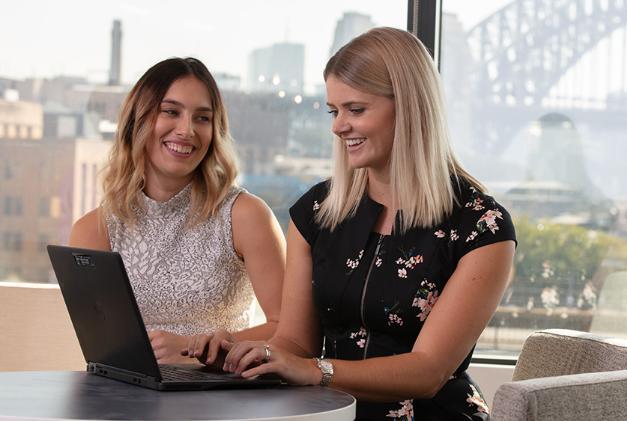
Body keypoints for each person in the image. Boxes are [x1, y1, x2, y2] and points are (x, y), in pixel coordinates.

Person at [194, 27, 515, 420]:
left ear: (410, 107)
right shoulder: (316, 211)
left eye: (355, 109)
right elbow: (296, 340)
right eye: (334, 110)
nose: (338, 126)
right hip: (327, 414)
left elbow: (428, 371)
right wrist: (254, 356)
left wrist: (315, 371)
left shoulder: (482, 227)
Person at [69, 57, 285, 364]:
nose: (186, 130)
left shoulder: (245, 215)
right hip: (127, 403)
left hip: (220, 399)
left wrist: (191, 348)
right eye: (171, 112)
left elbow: (289, 331)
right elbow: (103, 350)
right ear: (138, 120)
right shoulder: (94, 230)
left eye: (202, 118)